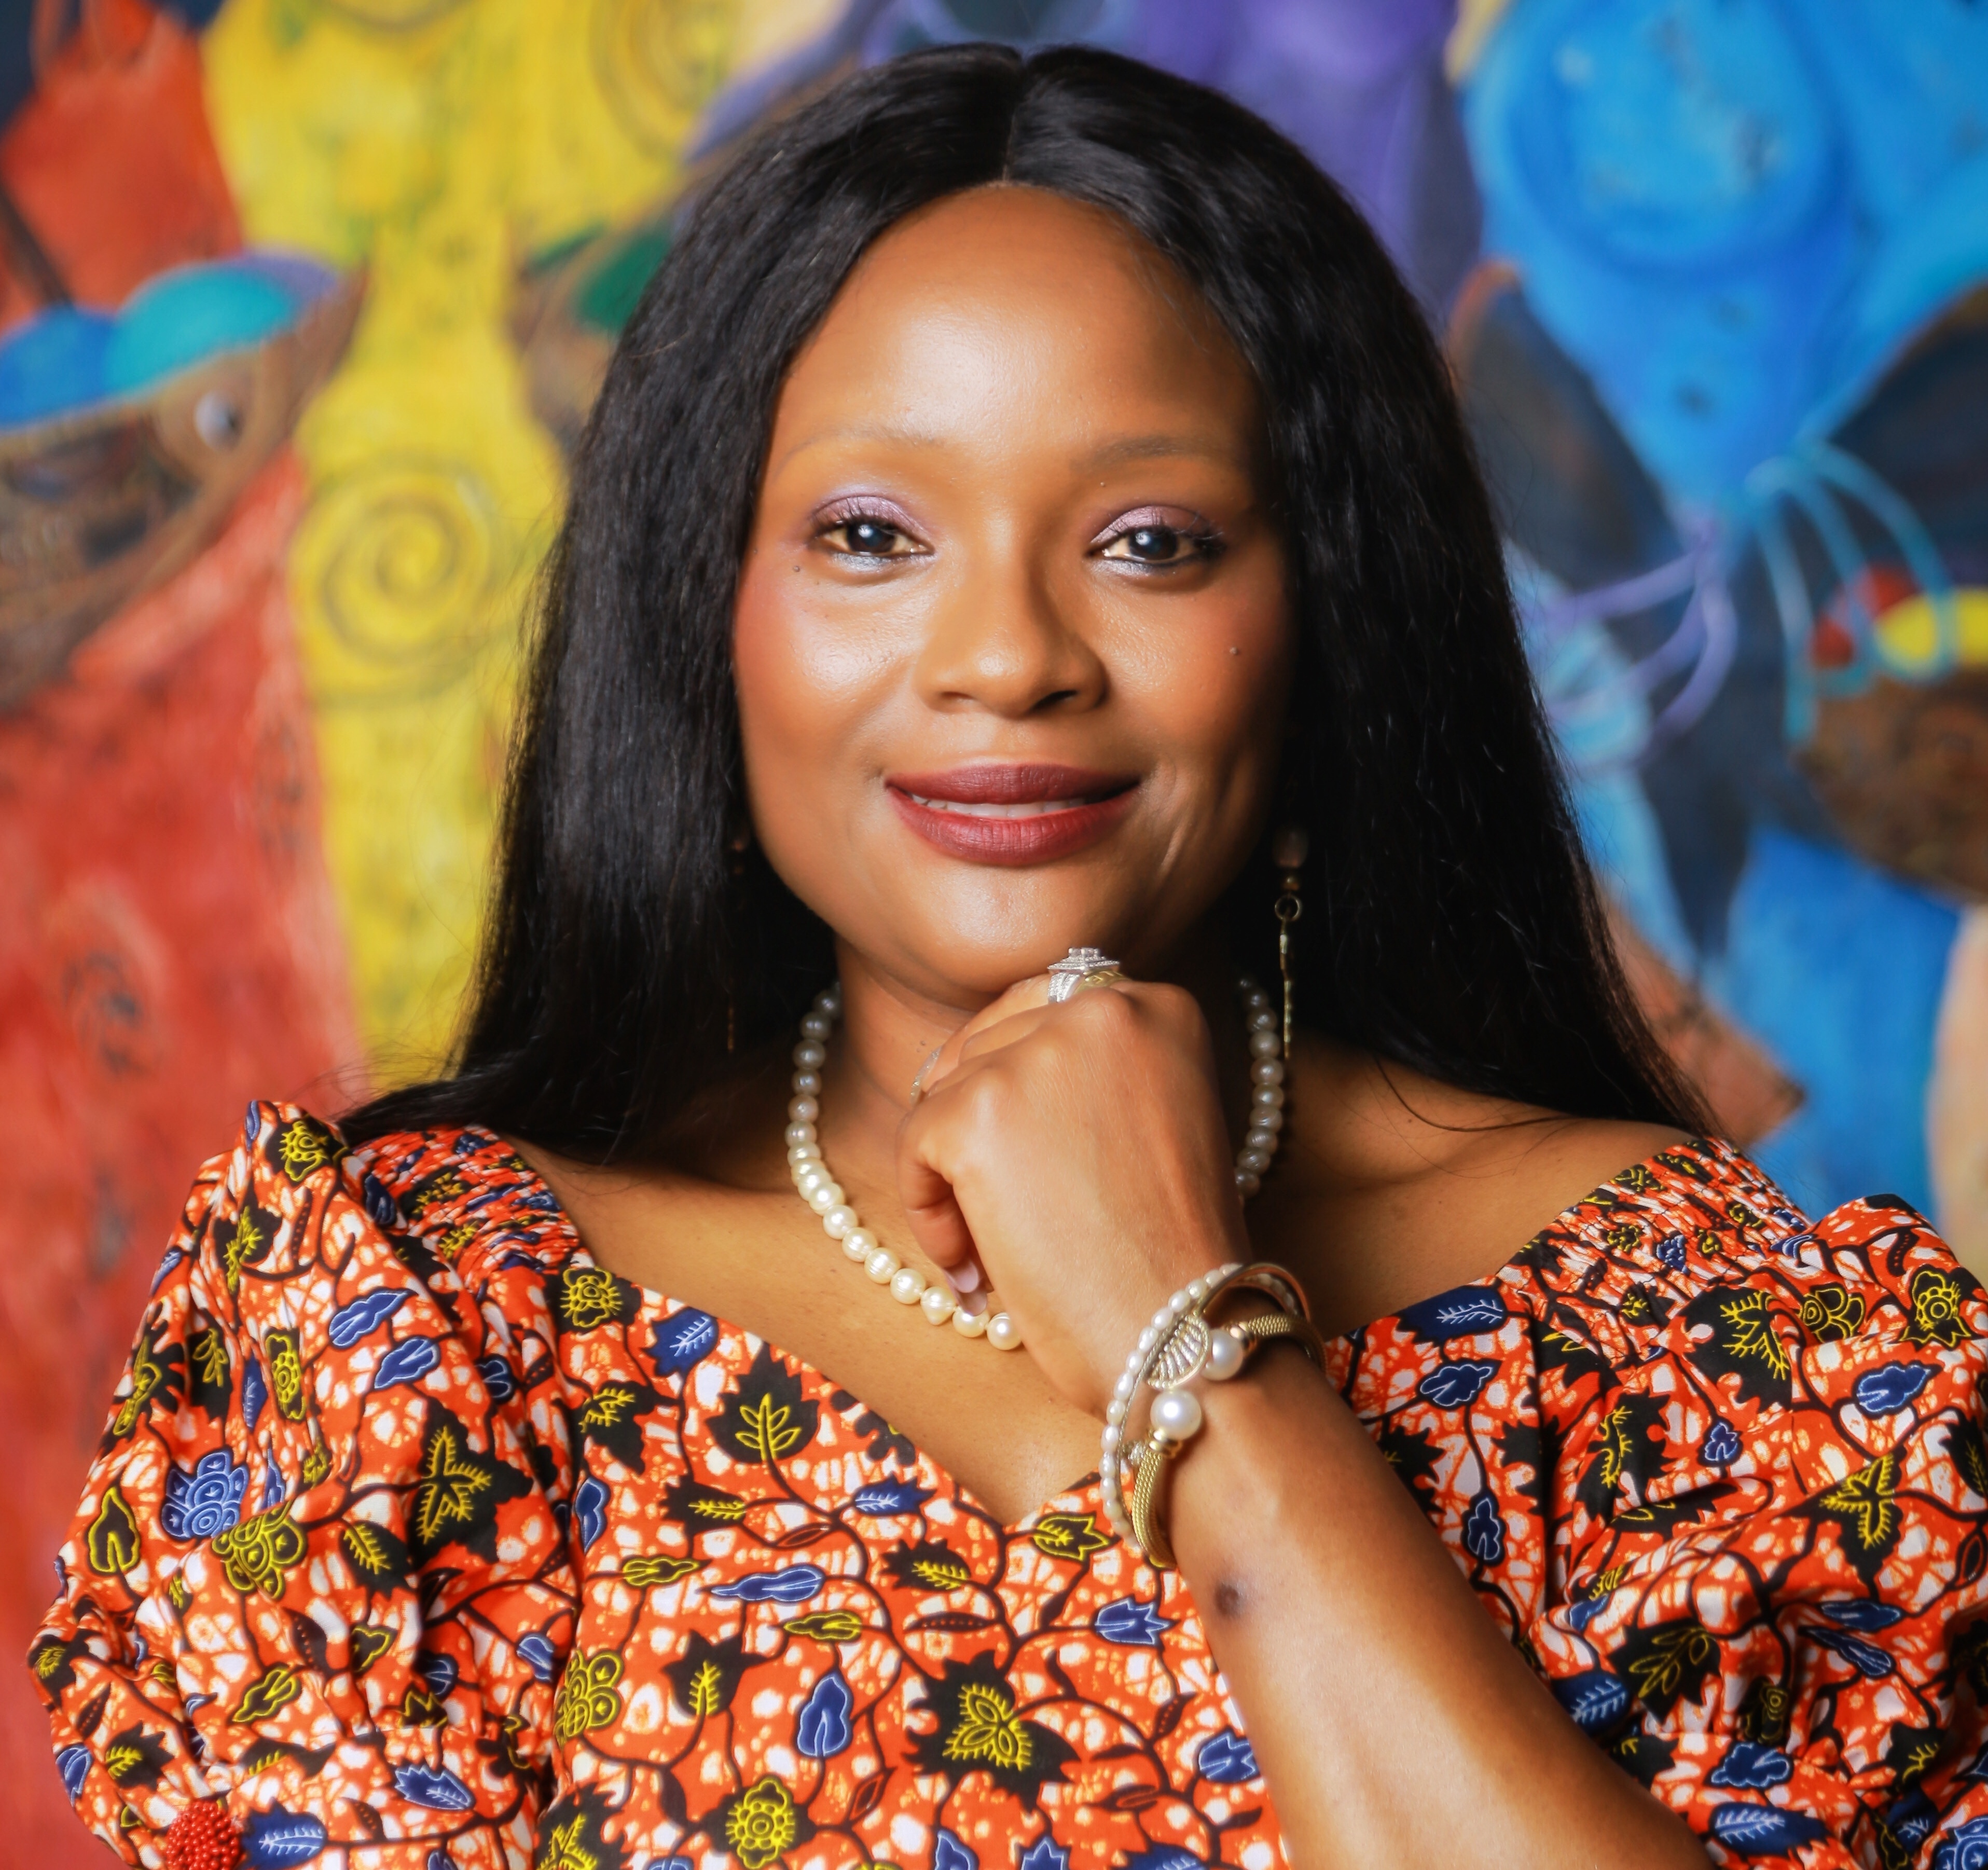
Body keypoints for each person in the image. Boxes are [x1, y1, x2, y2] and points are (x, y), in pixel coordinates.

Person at [32, 43, 1988, 1870]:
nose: (1008, 657)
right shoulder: (419, 1345)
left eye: (1150, 541)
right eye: (872, 535)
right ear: (708, 616)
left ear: (1326, 618)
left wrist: (1189, 1345)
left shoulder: (1703, 1337)